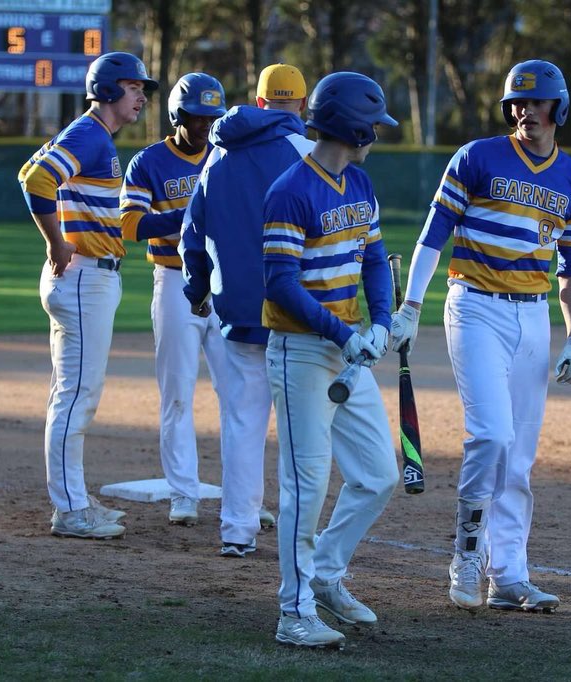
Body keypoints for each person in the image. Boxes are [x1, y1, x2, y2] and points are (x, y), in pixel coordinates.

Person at [390, 59, 571, 613]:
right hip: (475, 307)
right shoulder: (476, 157)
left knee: (519, 457)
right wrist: (411, 305)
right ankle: (467, 554)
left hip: (533, 318)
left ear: (559, 109)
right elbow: (434, 233)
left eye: (538, 102)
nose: (527, 111)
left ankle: (509, 577)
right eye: (518, 103)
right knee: (492, 437)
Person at [262, 72, 400, 650]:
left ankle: (324, 575)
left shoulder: (359, 182)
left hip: (346, 350)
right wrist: (345, 332)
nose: (377, 135)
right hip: (301, 351)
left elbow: (374, 258)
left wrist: (383, 321)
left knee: (378, 475)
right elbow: (280, 283)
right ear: (354, 127)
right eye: (373, 125)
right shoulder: (291, 190)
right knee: (307, 486)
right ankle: (293, 613)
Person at [18, 52, 158, 539]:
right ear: (109, 89)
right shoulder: (90, 134)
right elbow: (37, 181)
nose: (142, 97)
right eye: (134, 87)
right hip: (83, 278)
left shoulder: (91, 134)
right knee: (76, 397)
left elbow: (28, 172)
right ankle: (70, 510)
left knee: (73, 393)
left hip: (87, 279)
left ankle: (75, 498)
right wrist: (56, 242)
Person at [179, 63, 314, 558]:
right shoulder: (309, 154)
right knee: (303, 431)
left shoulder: (218, 153)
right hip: (298, 313)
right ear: (303, 105)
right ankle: (299, 537)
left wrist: (197, 288)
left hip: (236, 310)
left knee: (241, 422)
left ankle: (237, 530)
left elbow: (193, 230)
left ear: (258, 102)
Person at [119, 73, 229, 527]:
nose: (205, 126)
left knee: (239, 393)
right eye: (197, 117)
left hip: (225, 285)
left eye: (212, 118)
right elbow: (130, 225)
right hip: (174, 282)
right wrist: (192, 213)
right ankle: (184, 493)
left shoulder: (228, 157)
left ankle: (243, 494)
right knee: (177, 394)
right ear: (177, 116)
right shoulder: (148, 161)